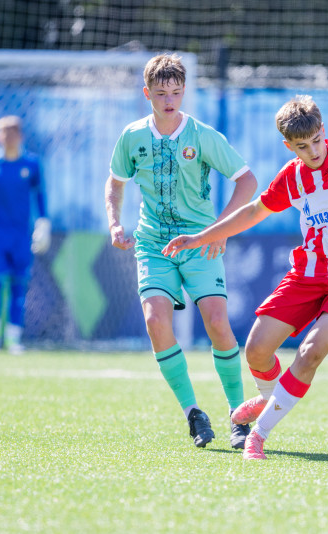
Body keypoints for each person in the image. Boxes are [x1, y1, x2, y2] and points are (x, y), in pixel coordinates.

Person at [163, 95, 328, 460]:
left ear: (323, 131)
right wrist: (207, 236)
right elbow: (254, 211)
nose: (313, 151)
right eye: (302, 146)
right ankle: (271, 398)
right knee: (256, 350)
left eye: (316, 141)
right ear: (289, 146)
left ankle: (259, 435)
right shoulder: (292, 177)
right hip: (309, 273)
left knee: (311, 351)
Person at [104, 53, 258, 450]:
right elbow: (116, 183)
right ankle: (193, 413)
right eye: (161, 93)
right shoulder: (132, 137)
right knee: (156, 321)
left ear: (184, 91)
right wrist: (115, 223)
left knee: (217, 321)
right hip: (153, 245)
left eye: (176, 92)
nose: (169, 100)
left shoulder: (203, 135)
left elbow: (247, 181)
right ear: (147, 94)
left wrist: (220, 228)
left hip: (199, 242)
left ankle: (238, 416)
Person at [0, 115, 51, 356]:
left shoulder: (31, 164)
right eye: (4, 133)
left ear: (20, 136)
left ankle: (14, 338)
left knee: (19, 285)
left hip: (21, 235)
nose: (9, 137)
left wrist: (43, 222)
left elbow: (40, 195)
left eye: (13, 133)